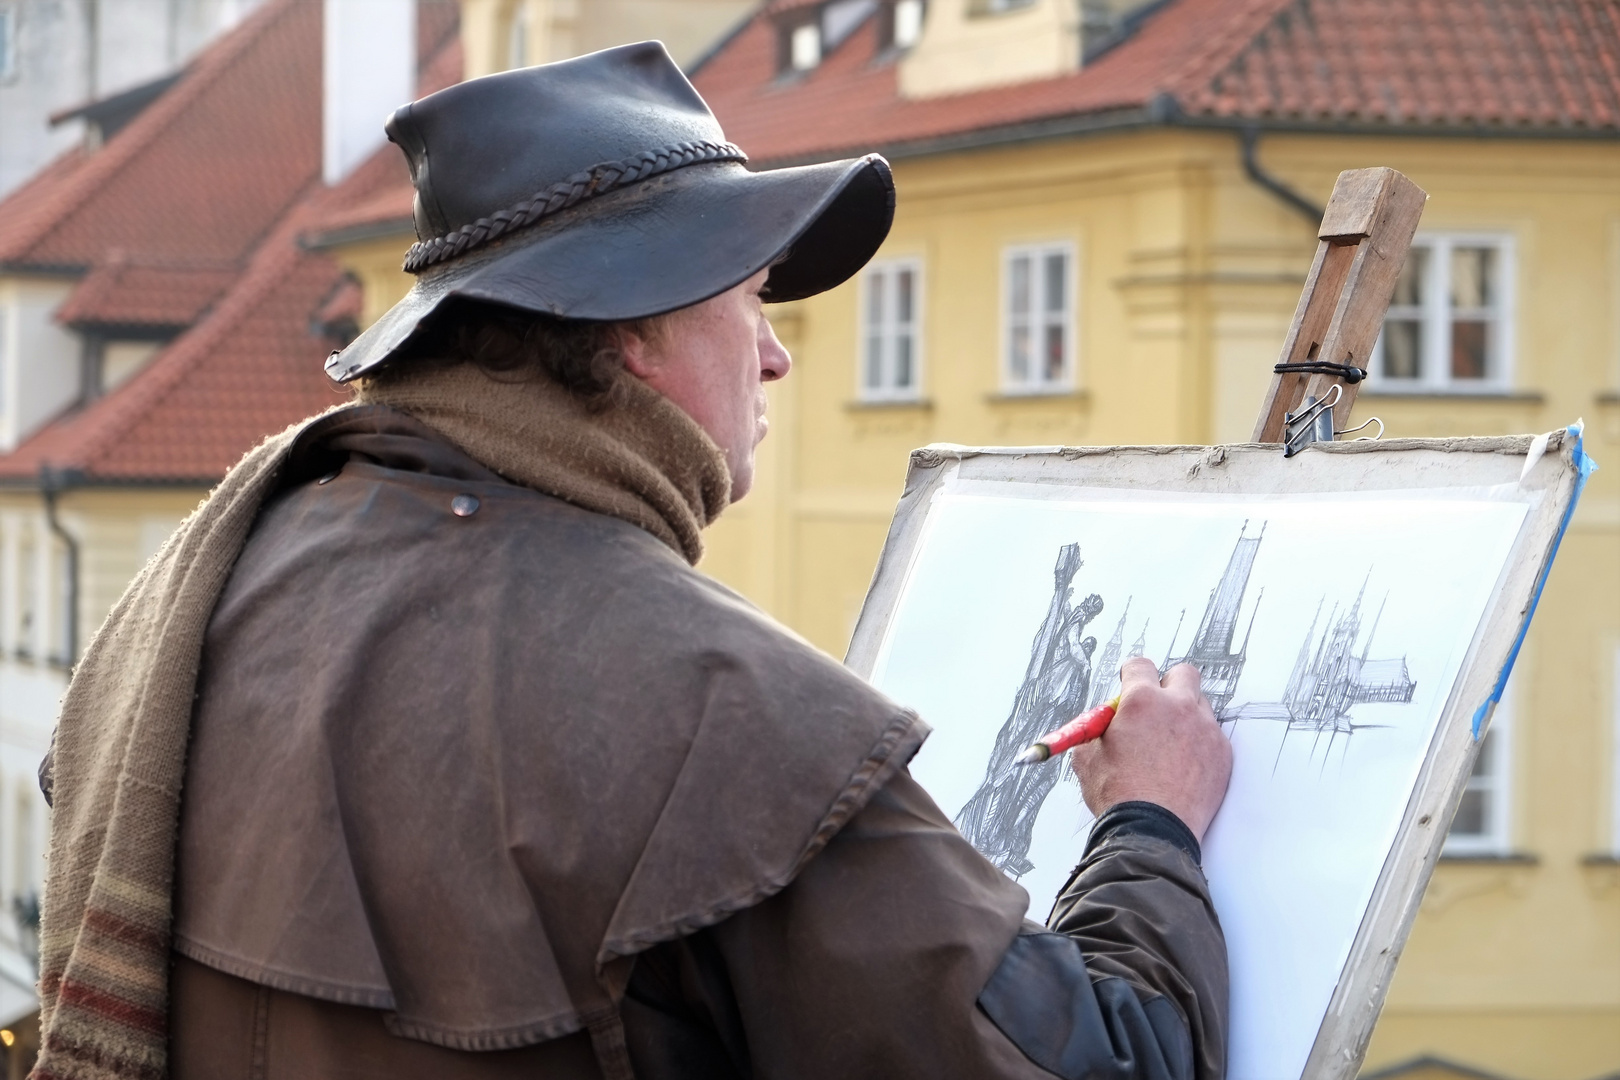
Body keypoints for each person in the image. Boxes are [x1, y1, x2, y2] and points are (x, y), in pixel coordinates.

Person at [33, 43, 1233, 1080]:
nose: (775, 358)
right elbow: (1109, 1059)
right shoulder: (716, 713)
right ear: (636, 327)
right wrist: (1151, 826)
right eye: (753, 298)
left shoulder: (226, 580)